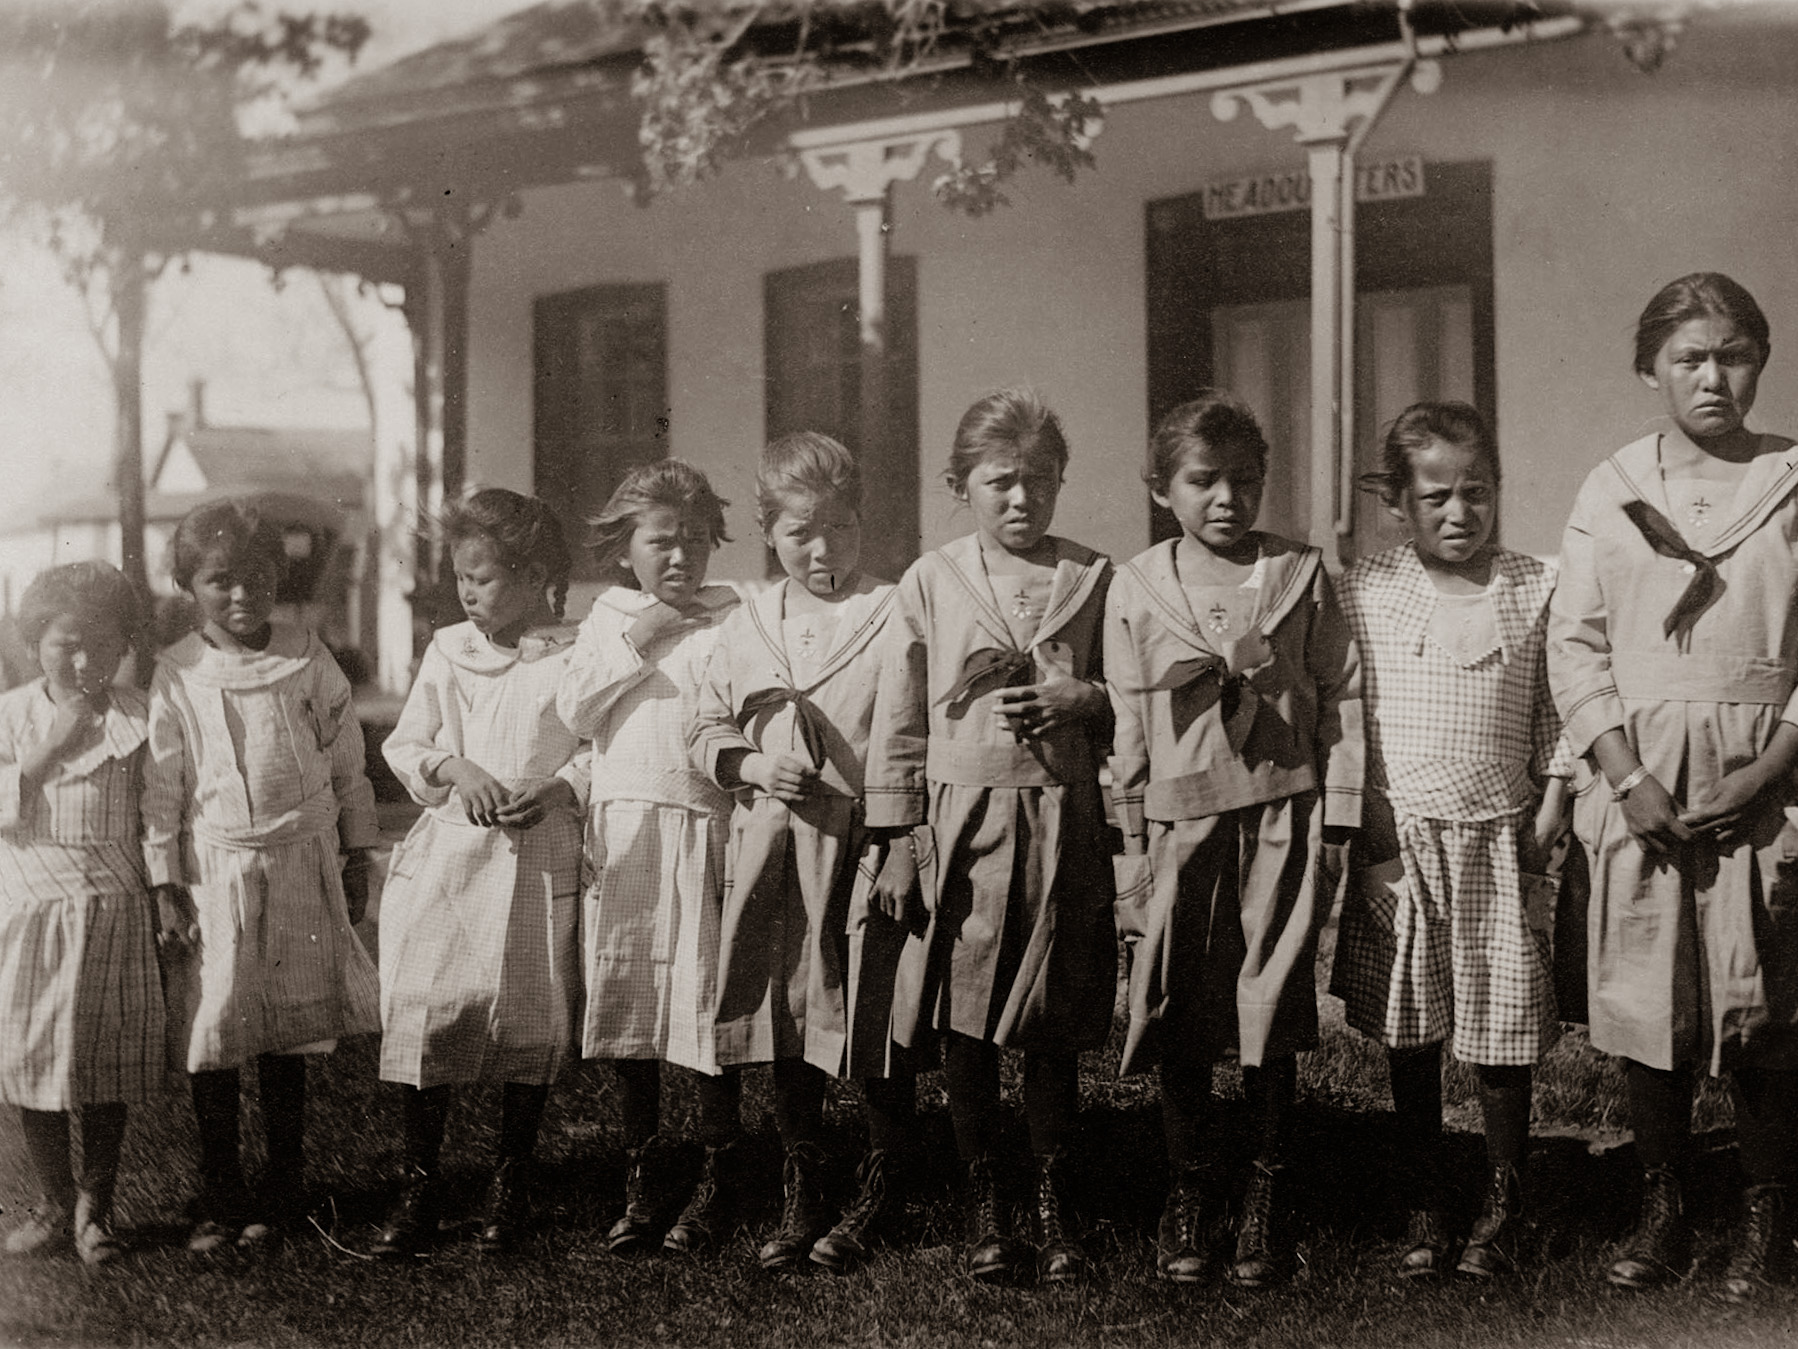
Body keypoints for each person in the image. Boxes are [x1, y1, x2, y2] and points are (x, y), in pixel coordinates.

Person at [1549, 272, 1798, 1301]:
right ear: (1648, 366)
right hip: (1641, 783)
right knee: (1646, 995)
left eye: (1732, 354)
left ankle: (1767, 1211)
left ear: (1760, 362)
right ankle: (1662, 1208)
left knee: (1764, 1004)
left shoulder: (1791, 481)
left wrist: (1767, 766)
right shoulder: (1610, 489)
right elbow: (1575, 644)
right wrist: (1622, 772)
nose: (1711, 377)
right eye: (1688, 357)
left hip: (1765, 778)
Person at [1105, 391, 1361, 1288]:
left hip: (1281, 816)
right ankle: (1187, 1188)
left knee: (1270, 999)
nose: (1225, 500)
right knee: (1178, 1000)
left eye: (1244, 482)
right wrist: (1130, 846)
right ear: (1162, 489)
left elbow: (1341, 695)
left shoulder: (1300, 572)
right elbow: (1129, 731)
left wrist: (1340, 814)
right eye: (1202, 481)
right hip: (1181, 825)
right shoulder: (1136, 588)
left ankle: (1264, 1191)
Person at [865, 387, 1115, 1285]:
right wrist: (897, 837)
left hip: (1060, 822)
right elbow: (898, 718)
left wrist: (1089, 699)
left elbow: (1132, 694)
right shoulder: (932, 580)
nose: (1022, 501)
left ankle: (1055, 1201)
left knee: (1048, 1016)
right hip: (960, 820)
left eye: (1040, 482)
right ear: (960, 484)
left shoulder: (1092, 577)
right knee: (965, 1013)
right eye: (1001, 483)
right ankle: (989, 1204)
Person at [1332, 402, 1569, 1280]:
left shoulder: (1535, 583)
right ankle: (1425, 1194)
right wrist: (1373, 835)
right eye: (1436, 497)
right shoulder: (1367, 585)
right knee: (1415, 1023)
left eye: (1477, 493)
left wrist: (1551, 808)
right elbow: (1350, 715)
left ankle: (1507, 1195)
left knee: (1501, 1024)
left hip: (1502, 839)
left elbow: (1554, 707)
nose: (1459, 512)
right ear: (1398, 502)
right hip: (1405, 837)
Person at [690, 432, 917, 1271]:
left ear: (862, 521)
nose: (822, 551)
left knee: (872, 1013)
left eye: (840, 528)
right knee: (789, 1013)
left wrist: (902, 841)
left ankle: (883, 1180)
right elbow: (706, 722)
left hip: (860, 845)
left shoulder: (892, 610)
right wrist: (750, 762)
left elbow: (911, 733)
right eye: (798, 535)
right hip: (775, 850)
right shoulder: (748, 621)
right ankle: (804, 1180)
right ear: (768, 534)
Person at [143, 499, 380, 1252]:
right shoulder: (177, 672)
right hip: (218, 868)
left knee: (288, 1028)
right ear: (190, 585)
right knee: (220, 1023)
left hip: (300, 859)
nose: (241, 596)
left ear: (276, 575)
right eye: (220, 582)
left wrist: (356, 852)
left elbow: (349, 767)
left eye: (254, 578)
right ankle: (219, 1188)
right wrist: (165, 880)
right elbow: (164, 784)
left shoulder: (308, 656)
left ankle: (283, 1184)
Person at [371, 489, 585, 1257]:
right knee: (428, 1008)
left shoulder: (570, 656)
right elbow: (407, 743)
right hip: (452, 859)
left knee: (529, 1017)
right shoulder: (448, 649)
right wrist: (455, 766)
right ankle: (421, 1178)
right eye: (463, 575)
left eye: (486, 577)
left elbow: (595, 745)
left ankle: (511, 1178)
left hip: (533, 858)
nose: (469, 591)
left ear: (534, 578)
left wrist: (559, 785)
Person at [555, 460, 744, 1254]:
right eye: (661, 542)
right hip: (627, 829)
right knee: (630, 1002)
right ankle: (643, 1171)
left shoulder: (734, 610)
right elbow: (574, 709)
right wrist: (641, 639)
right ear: (624, 548)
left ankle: (718, 1174)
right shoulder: (609, 617)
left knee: (706, 1002)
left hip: (705, 824)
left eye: (695, 541)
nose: (679, 558)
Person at [0, 563, 163, 1264]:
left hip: (113, 902)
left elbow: (159, 811)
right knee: (33, 1052)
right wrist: (52, 745)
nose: (82, 660)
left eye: (100, 644)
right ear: (34, 640)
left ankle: (97, 1204)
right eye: (65, 643)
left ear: (124, 644)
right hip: (33, 903)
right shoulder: (12, 713)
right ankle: (51, 1199)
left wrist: (167, 890)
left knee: (103, 1057)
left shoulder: (139, 712)